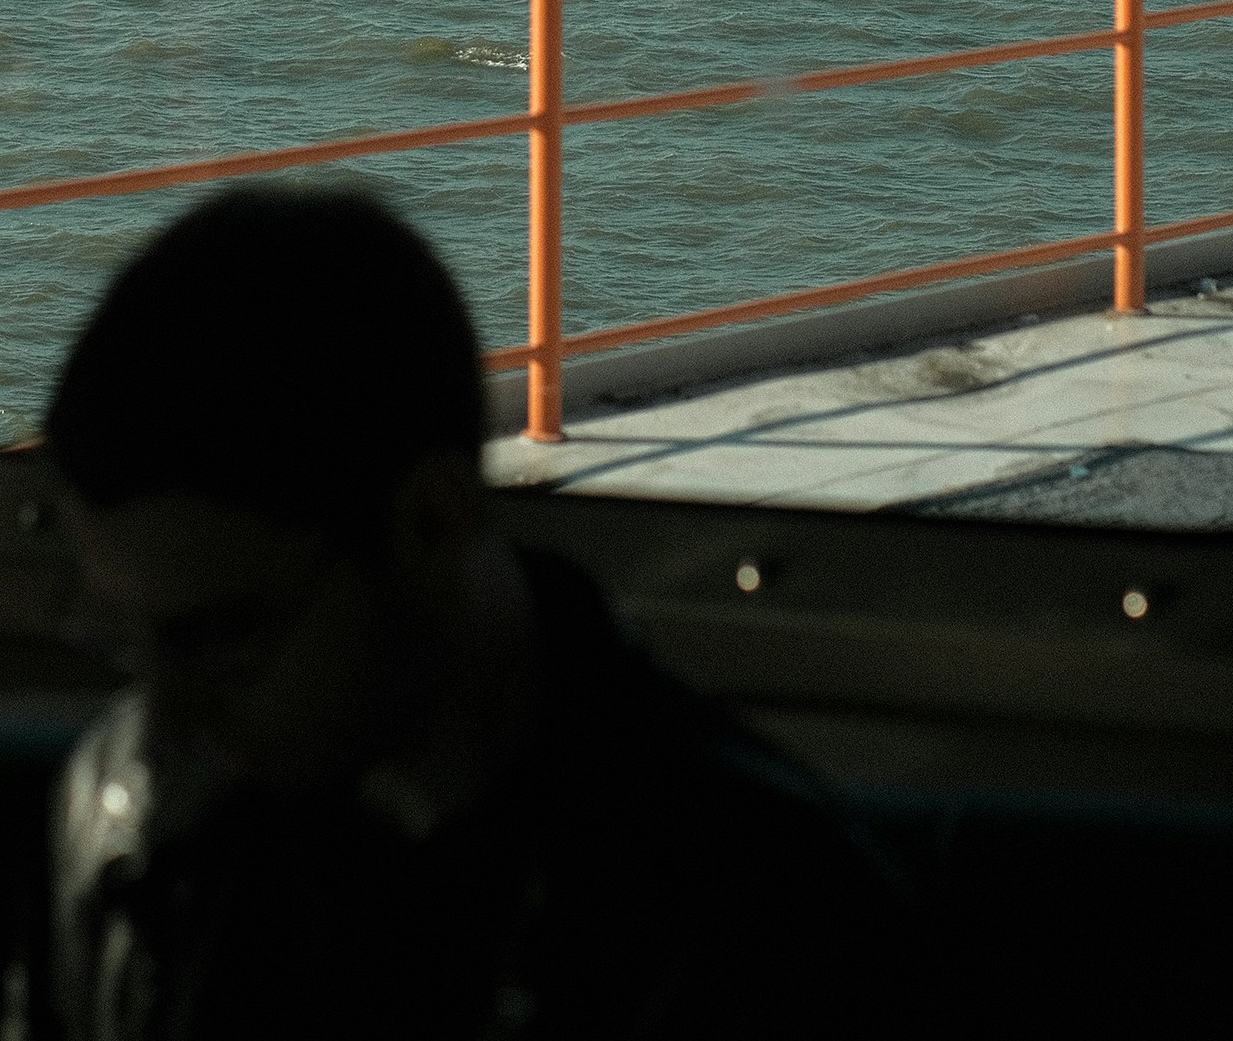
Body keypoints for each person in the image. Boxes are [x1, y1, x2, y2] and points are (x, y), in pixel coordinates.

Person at [46, 184, 911, 1039]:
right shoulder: (123, 814)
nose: (165, 722)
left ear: (429, 520)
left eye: (225, 640)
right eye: (123, 639)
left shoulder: (758, 919)